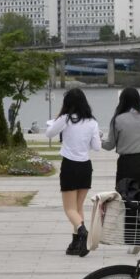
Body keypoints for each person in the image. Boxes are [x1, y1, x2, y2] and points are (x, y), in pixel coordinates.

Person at [45, 89, 101, 257]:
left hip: (70, 166)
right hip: (85, 166)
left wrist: (58, 118)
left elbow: (49, 133)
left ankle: (83, 232)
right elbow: (97, 147)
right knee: (78, 207)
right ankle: (76, 243)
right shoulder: (92, 122)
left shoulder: (65, 119)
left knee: (69, 209)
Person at [102, 87, 140, 190]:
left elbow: (109, 145)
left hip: (125, 163)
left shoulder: (118, 120)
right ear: (138, 100)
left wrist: (97, 140)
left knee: (124, 195)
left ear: (122, 101)